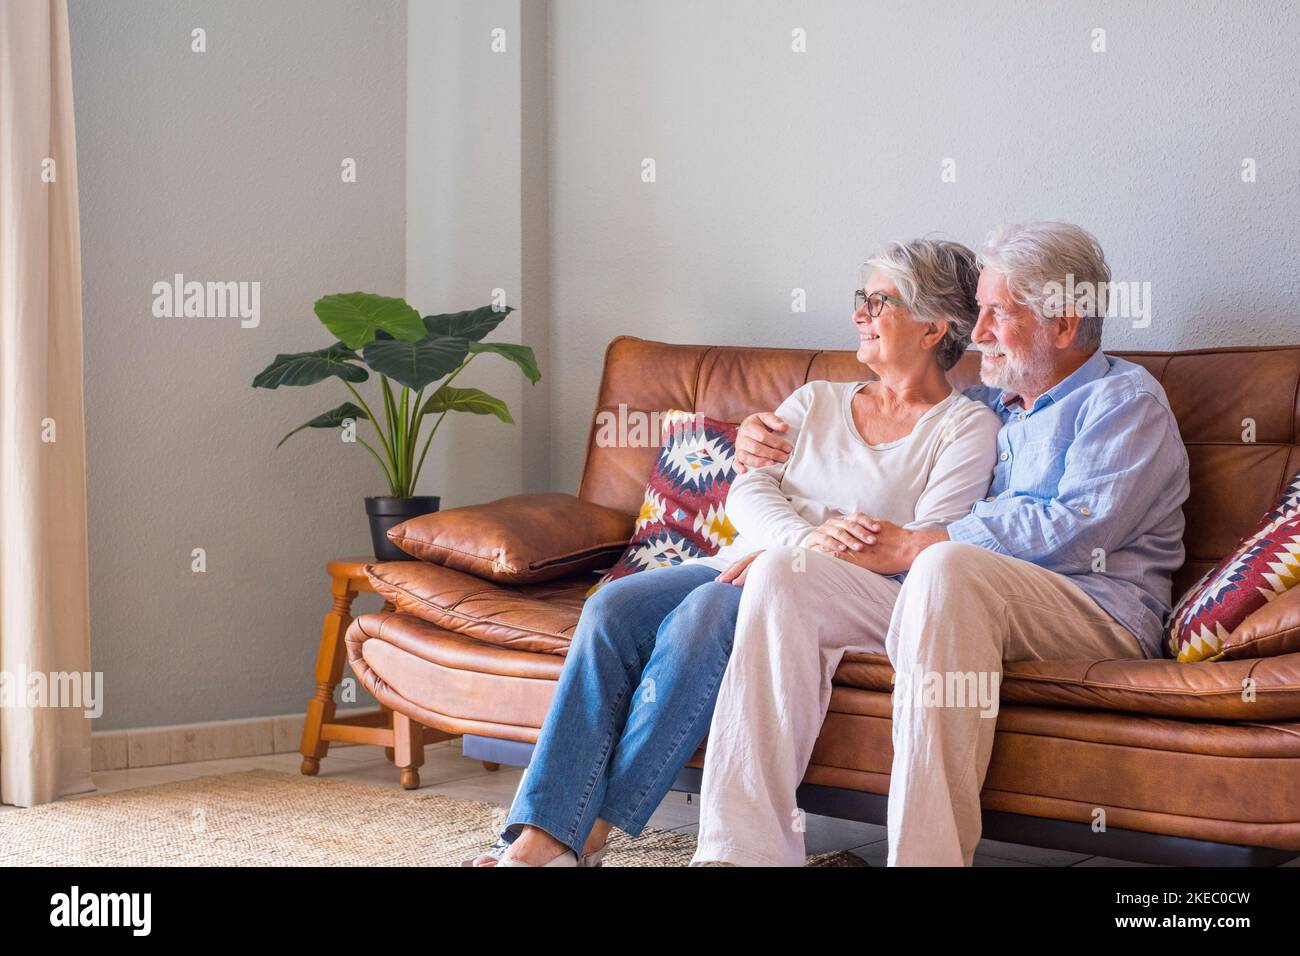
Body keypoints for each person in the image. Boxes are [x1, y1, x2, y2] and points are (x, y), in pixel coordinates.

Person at [469, 238, 1000, 865]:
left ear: (932, 325)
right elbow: (746, 490)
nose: (859, 313)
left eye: (877, 301)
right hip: (742, 561)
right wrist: (802, 537)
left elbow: (920, 542)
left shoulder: (965, 429)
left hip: (834, 594)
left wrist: (801, 557)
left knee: (704, 616)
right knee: (612, 609)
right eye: (862, 298)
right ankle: (542, 829)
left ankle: (582, 837)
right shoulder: (817, 400)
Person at [691, 220, 1190, 867]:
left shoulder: (1124, 402)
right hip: (960, 599)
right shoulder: (991, 405)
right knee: (788, 573)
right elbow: (895, 437)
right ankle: (741, 854)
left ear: (1064, 325)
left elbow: (1075, 529)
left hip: (1095, 611)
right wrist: (760, 449)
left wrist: (915, 545)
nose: (976, 334)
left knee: (944, 563)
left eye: (995, 315)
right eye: (977, 314)